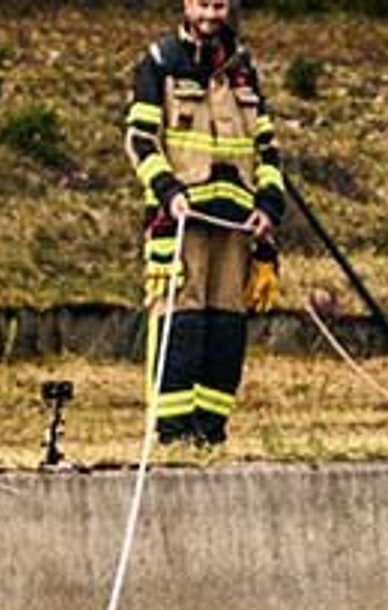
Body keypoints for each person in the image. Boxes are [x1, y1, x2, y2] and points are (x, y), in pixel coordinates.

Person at [123, 0, 286, 448]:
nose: (211, 15)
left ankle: (209, 436)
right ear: (186, 5)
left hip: (236, 225)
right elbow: (139, 141)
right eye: (203, 4)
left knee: (226, 331)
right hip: (181, 220)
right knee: (181, 324)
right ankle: (171, 435)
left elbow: (268, 149)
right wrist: (168, 191)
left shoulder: (244, 70)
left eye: (219, 4)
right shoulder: (160, 63)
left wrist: (270, 206)